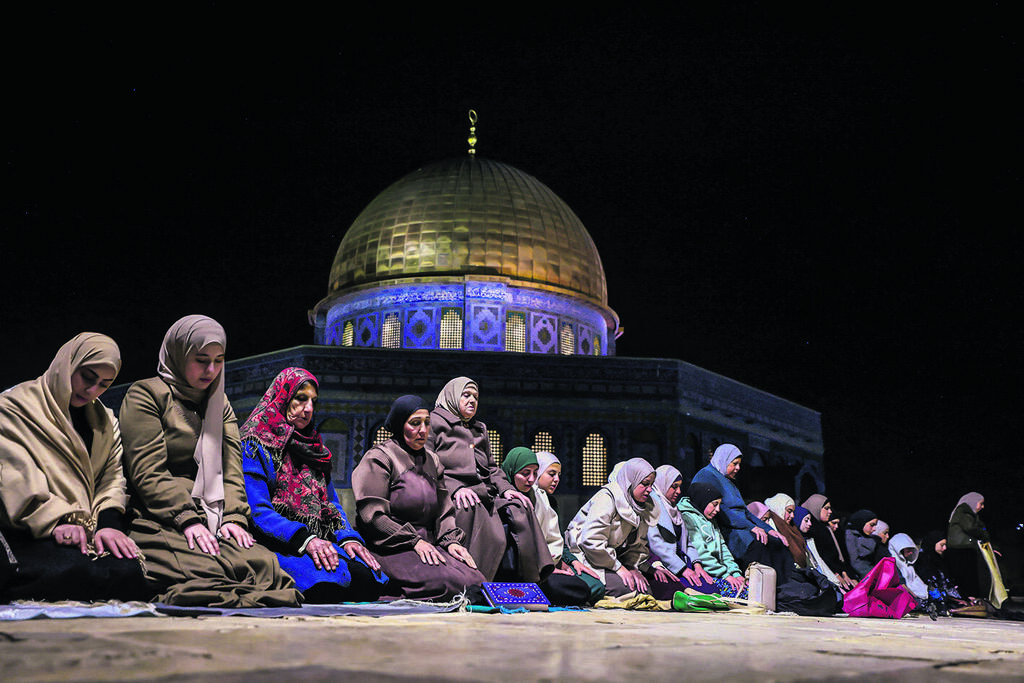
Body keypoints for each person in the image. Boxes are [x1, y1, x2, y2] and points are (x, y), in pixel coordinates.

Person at [120, 315, 300, 607]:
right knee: (207, 570)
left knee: (264, 566)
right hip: (159, 512)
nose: (212, 370)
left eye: (219, 360)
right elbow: (147, 470)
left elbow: (230, 468)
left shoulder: (219, 401)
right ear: (179, 354)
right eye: (201, 359)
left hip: (211, 511)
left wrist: (234, 517)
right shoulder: (147, 395)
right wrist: (186, 518)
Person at [0, 333, 148, 602]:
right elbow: (15, 476)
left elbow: (112, 478)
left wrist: (107, 525)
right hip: (29, 525)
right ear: (68, 364)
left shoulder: (104, 421)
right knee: (71, 570)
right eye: (88, 377)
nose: (92, 390)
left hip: (86, 529)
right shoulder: (13, 409)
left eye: (105, 384)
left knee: (126, 572)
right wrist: (56, 520)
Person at [241, 367, 388, 602]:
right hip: (279, 543)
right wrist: (305, 540)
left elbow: (330, 504)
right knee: (326, 584)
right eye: (300, 399)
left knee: (369, 578)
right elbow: (257, 510)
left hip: (318, 541)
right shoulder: (254, 444)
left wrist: (348, 537)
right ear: (283, 397)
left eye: (313, 401)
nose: (308, 408)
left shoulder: (315, 451)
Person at [351, 395, 485, 601]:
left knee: (477, 581)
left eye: (427, 423)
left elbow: (444, 511)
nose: (423, 430)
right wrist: (412, 540)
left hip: (427, 545)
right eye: (415, 423)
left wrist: (450, 542)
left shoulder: (433, 460)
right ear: (399, 425)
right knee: (445, 583)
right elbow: (373, 516)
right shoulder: (380, 458)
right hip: (390, 546)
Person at [427, 376, 551, 582]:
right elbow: (428, 465)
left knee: (520, 505)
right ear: (452, 396)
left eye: (475, 397)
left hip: (486, 492)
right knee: (470, 507)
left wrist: (506, 488)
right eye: (466, 395)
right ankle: (475, 581)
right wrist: (454, 488)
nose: (472, 400)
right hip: (454, 493)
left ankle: (532, 580)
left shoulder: (479, 429)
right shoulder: (434, 423)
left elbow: (492, 468)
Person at [499, 447, 591, 605]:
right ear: (512, 471)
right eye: (525, 473)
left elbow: (552, 538)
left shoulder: (539, 498)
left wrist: (555, 563)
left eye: (534, 473)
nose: (531, 479)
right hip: (509, 572)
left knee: (582, 588)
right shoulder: (500, 499)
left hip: (540, 570)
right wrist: (544, 567)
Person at [691, 444, 791, 581]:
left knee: (777, 542)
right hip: (728, 528)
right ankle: (765, 591)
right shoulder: (706, 475)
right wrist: (751, 527)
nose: (738, 468)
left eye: (739, 464)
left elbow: (746, 512)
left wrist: (768, 529)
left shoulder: (728, 480)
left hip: (743, 526)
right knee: (759, 544)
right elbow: (722, 511)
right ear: (724, 460)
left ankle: (788, 590)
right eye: (734, 464)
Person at [564, 458, 660, 597]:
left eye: (651, 484)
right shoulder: (607, 498)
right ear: (631, 481)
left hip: (609, 560)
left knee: (644, 590)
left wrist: (631, 567)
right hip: (585, 555)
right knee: (628, 590)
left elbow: (637, 545)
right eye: (645, 484)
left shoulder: (640, 506)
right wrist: (618, 567)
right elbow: (591, 541)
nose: (649, 489)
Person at [644, 464, 718, 599]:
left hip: (683, 564)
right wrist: (683, 569)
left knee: (712, 590)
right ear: (663, 484)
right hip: (665, 565)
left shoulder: (675, 510)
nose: (678, 491)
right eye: (674, 487)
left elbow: (688, 542)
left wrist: (697, 565)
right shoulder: (651, 508)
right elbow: (657, 546)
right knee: (699, 592)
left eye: (679, 487)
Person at [676, 481, 748, 599]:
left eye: (719, 505)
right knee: (740, 595)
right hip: (707, 573)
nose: (718, 509)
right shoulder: (688, 517)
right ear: (702, 500)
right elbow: (701, 552)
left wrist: (735, 573)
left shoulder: (710, 520)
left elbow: (723, 549)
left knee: (750, 591)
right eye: (714, 504)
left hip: (721, 573)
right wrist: (725, 575)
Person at [946, 492, 1007, 607]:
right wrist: (984, 533)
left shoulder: (968, 514)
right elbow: (970, 528)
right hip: (962, 550)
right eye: (981, 503)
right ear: (972, 502)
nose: (982, 507)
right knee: (967, 577)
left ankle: (972, 599)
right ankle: (969, 600)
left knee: (970, 576)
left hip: (965, 549)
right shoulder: (963, 512)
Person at [802, 494, 856, 590]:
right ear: (816, 508)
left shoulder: (825, 529)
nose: (830, 512)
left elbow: (835, 557)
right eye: (826, 508)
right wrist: (835, 574)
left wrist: (844, 573)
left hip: (835, 572)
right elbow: (821, 557)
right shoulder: (810, 530)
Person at [914, 530, 967, 613]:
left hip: (947, 597)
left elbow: (948, 583)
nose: (945, 548)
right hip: (934, 599)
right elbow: (930, 585)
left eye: (945, 545)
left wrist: (962, 598)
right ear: (933, 543)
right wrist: (954, 600)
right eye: (942, 545)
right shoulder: (923, 561)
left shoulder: (939, 560)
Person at [764, 492, 808, 569]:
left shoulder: (791, 527)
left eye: (793, 512)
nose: (792, 516)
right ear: (779, 508)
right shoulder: (770, 525)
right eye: (789, 511)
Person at [887, 533, 929, 602]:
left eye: (911, 549)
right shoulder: (893, 564)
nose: (910, 553)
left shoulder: (908, 565)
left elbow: (916, 581)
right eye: (908, 549)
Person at [843, 509, 881, 580]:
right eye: (872, 525)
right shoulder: (850, 536)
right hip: (860, 578)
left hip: (869, 575)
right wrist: (875, 577)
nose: (874, 529)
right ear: (861, 522)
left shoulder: (872, 539)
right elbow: (855, 562)